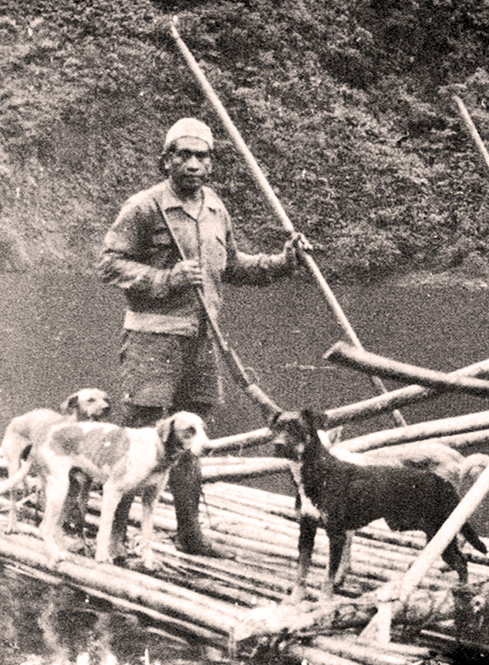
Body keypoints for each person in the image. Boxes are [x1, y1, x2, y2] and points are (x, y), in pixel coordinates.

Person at [98, 117, 307, 557]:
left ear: (211, 163)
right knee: (137, 439)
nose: (193, 164)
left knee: (190, 441)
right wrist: (166, 277)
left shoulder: (214, 207)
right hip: (153, 341)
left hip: (202, 339)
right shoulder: (144, 207)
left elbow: (232, 266)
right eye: (184, 155)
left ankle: (190, 536)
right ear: (166, 160)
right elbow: (109, 264)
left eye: (202, 156)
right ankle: (114, 538)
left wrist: (284, 262)